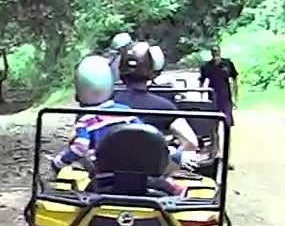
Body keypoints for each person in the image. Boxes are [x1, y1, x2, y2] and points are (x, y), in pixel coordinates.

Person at [50, 56, 191, 196]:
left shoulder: (85, 120)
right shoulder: (125, 111)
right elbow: (148, 135)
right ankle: (177, 191)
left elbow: (80, 147)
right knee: (162, 184)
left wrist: (59, 162)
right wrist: (173, 152)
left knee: (85, 193)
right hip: (141, 176)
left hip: (104, 177)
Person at [114, 42, 200, 157]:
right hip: (151, 171)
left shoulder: (105, 103)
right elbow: (191, 142)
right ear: (151, 69)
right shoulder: (164, 107)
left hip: (108, 170)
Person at [198, 45, 238, 127]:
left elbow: (235, 78)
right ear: (211, 53)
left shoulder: (227, 63)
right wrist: (201, 98)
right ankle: (215, 139)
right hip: (213, 95)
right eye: (213, 51)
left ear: (220, 52)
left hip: (225, 95)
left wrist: (235, 97)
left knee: (227, 120)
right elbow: (201, 81)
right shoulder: (206, 66)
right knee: (214, 121)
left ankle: (227, 137)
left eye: (216, 51)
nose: (215, 53)